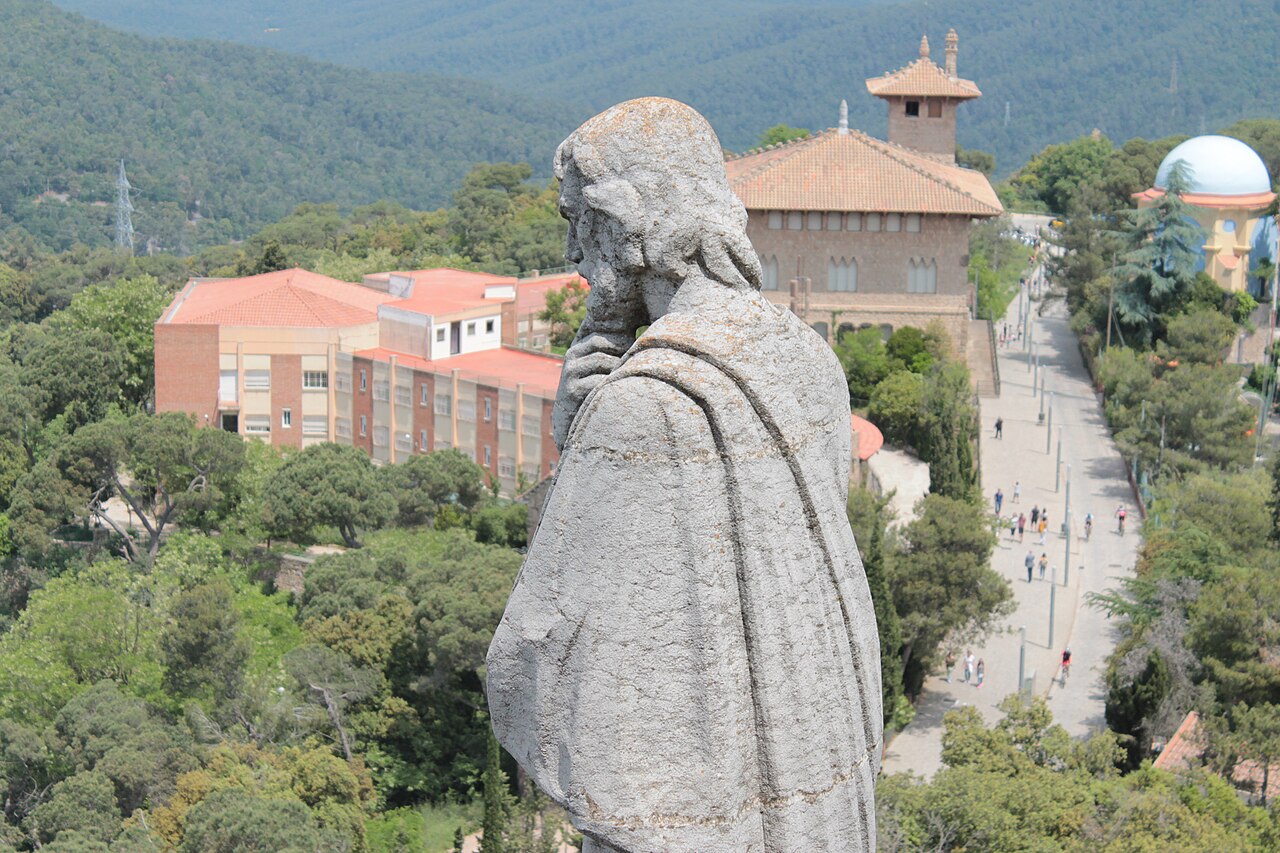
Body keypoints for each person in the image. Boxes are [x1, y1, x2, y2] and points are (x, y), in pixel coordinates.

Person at [486, 99, 882, 852]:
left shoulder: (643, 406)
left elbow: (541, 654)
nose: (573, 250)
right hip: (821, 790)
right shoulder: (806, 357)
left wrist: (581, 441)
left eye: (578, 221)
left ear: (625, 225)